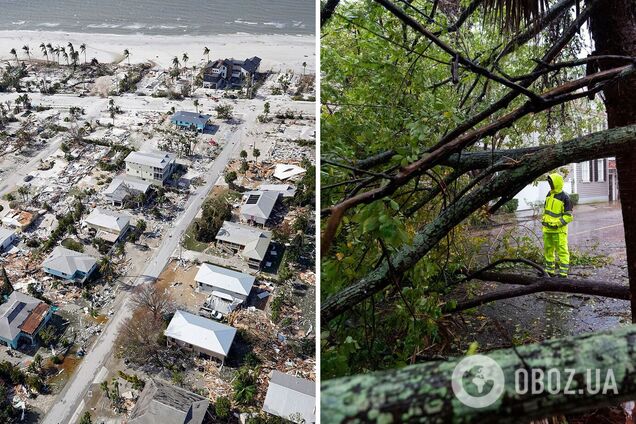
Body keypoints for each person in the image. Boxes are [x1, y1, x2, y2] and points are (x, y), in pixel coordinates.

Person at [542, 173, 573, 277]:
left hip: (559, 231)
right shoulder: (549, 194)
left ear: (557, 183)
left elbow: (568, 216)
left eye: (551, 182)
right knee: (548, 251)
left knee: (562, 251)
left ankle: (563, 273)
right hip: (547, 230)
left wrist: (557, 224)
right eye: (549, 182)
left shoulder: (565, 197)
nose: (550, 184)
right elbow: (546, 211)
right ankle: (549, 271)